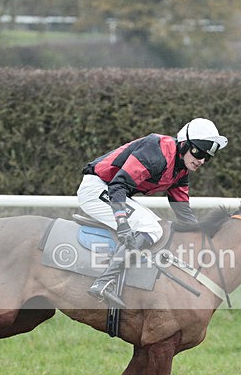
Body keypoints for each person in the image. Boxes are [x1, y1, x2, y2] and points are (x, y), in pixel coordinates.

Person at [77, 117, 228, 308]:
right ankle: (104, 282)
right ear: (184, 144)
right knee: (151, 228)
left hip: (112, 190)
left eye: (207, 157)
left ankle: (134, 283)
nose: (201, 160)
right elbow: (118, 185)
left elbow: (183, 211)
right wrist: (122, 223)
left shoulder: (181, 170)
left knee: (160, 229)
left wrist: (205, 240)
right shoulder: (156, 152)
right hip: (97, 188)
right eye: (198, 152)